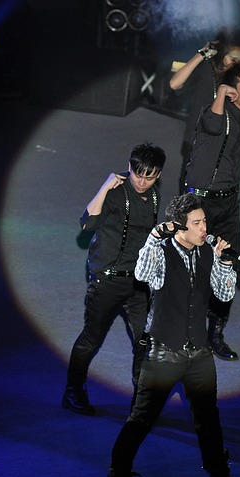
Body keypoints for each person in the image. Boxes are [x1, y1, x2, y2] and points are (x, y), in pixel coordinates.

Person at [99, 193, 240, 477]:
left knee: (209, 422)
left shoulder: (207, 251)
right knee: (140, 422)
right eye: (197, 223)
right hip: (163, 354)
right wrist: (154, 238)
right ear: (180, 227)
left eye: (204, 221)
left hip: (198, 354)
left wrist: (225, 263)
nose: (204, 228)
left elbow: (223, 294)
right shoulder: (163, 251)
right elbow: (142, 274)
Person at [63, 142, 166, 415]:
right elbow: (87, 223)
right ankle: (73, 392)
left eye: (150, 176)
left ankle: (141, 401)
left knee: (145, 341)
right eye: (138, 174)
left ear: (158, 174)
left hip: (139, 283)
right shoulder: (115, 192)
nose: (142, 182)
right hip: (107, 281)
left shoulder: (154, 196)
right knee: (91, 339)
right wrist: (105, 186)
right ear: (129, 167)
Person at [183, 61, 240, 361]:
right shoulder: (214, 113)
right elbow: (213, 125)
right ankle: (185, 331)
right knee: (192, 271)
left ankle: (215, 334)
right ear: (231, 91)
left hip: (228, 204)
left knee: (229, 265)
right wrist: (220, 94)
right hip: (201, 204)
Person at [169, 26, 240, 195]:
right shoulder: (207, 68)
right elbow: (175, 84)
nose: (238, 63)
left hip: (227, 141)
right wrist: (201, 54)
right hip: (198, 138)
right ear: (221, 54)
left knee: (221, 190)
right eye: (233, 59)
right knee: (190, 190)